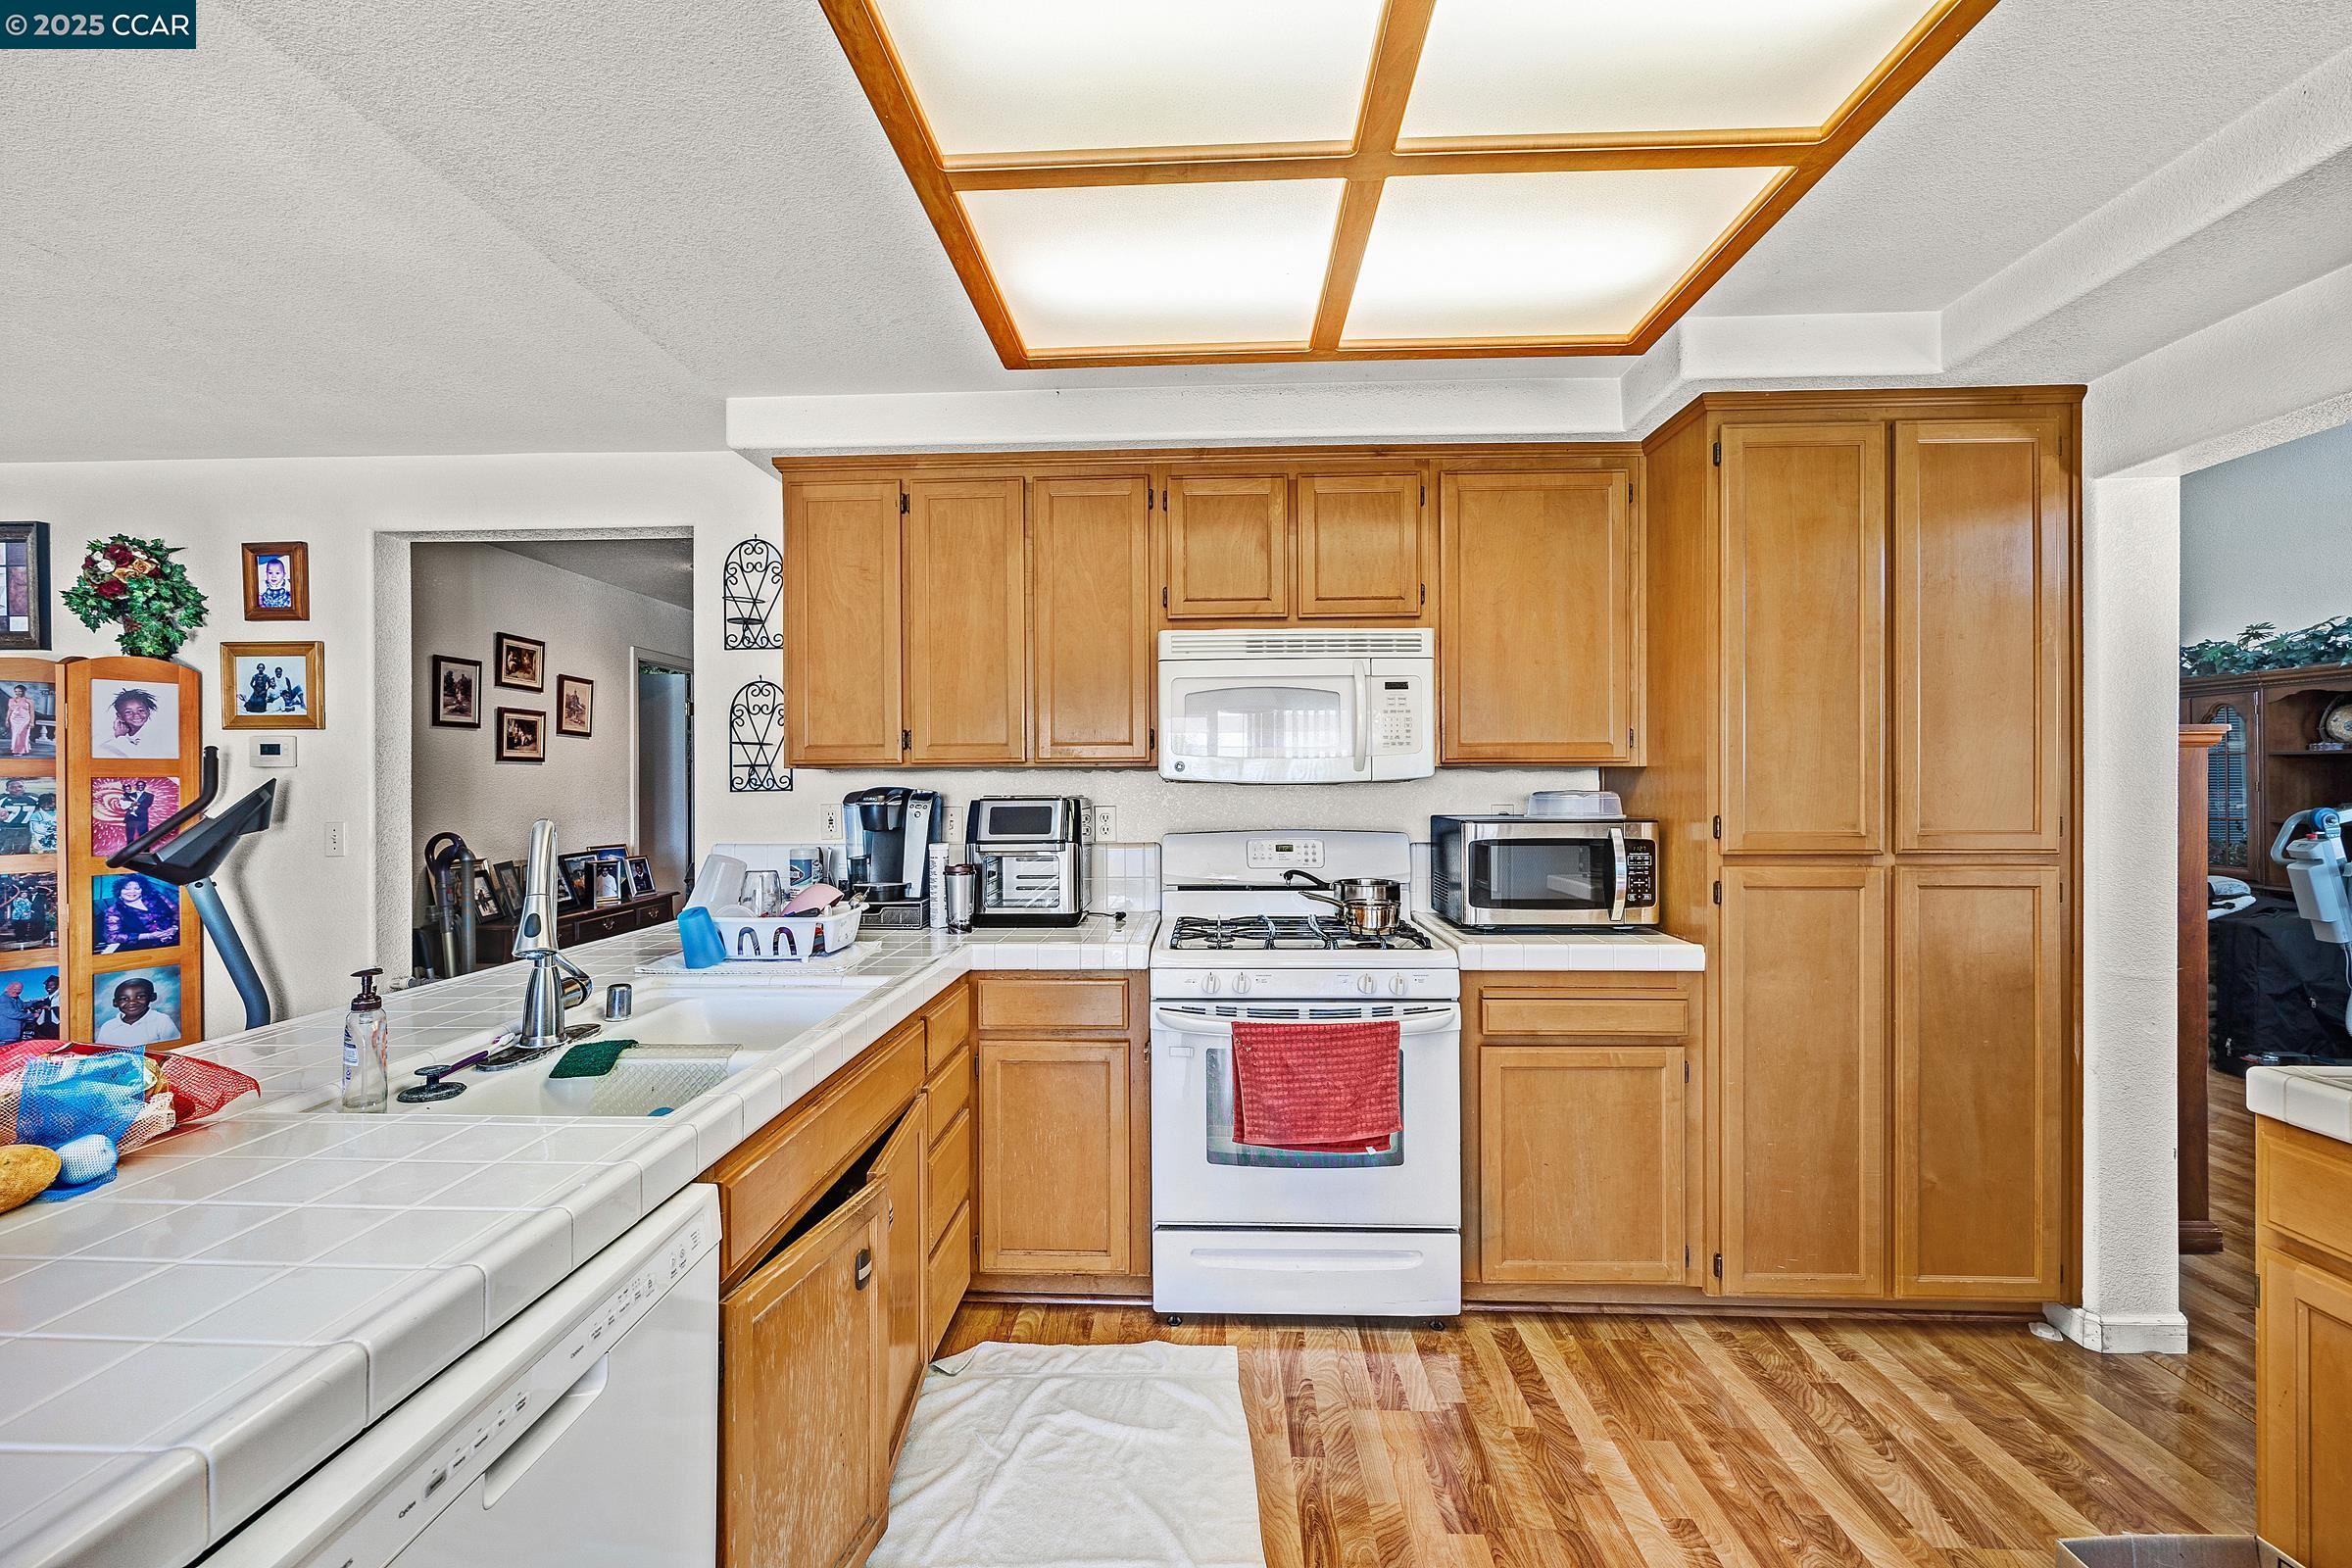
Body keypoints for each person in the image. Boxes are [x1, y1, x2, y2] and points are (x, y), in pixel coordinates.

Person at [98, 876, 175, 953]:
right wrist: (149, 936)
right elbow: (112, 937)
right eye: (127, 888)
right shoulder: (113, 911)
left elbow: (178, 912)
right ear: (119, 891)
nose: (132, 891)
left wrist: (174, 928)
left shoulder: (157, 897)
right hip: (149, 949)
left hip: (177, 939)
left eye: (137, 888)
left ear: (142, 890)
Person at [93, 977, 177, 1048]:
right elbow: (100, 1053)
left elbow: (174, 1048)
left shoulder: (162, 1021)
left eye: (140, 997)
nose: (132, 1002)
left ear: (152, 997)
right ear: (115, 1002)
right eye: (124, 999)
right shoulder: (108, 1027)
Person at [97, 688, 171, 759]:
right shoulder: (109, 736)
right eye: (128, 712)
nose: (136, 715)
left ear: (148, 712)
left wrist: (120, 738)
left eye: (141, 710)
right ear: (119, 716)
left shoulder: (157, 737)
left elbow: (140, 759)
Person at [6, 685, 34, 758]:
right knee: (16, 735)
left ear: (23, 691)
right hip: (14, 719)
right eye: (15, 691)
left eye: (19, 691)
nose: (17, 693)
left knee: (21, 734)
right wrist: (7, 720)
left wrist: (32, 722)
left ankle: (20, 750)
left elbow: (32, 712)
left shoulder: (29, 700)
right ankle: (17, 748)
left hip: (25, 719)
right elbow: (9, 710)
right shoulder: (11, 700)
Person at [0, 980, 27, 1045]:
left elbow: (24, 1005)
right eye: (15, 989)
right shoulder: (3, 999)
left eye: (19, 989)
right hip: (6, 1036)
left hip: (16, 1035)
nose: (17, 991)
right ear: (8, 988)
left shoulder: (16, 998)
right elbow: (12, 1014)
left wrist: (36, 1002)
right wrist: (31, 1015)